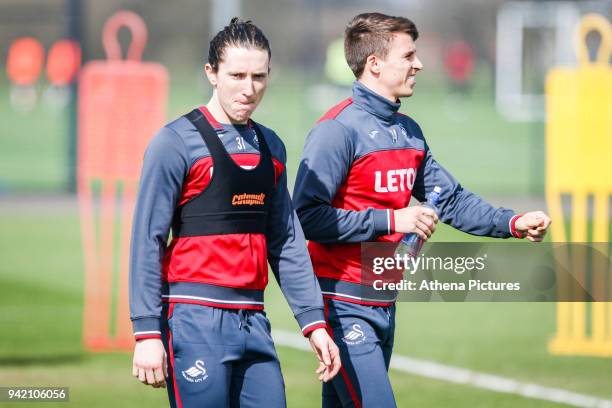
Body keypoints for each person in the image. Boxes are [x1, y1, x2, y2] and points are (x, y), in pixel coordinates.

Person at [293, 12, 551, 408]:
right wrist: (391, 219)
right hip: (341, 304)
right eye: (408, 55)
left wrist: (512, 222)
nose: (419, 64)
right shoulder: (336, 130)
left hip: (383, 298)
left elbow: (449, 199)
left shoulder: (408, 131)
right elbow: (307, 216)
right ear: (375, 63)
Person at [129, 18, 340, 408]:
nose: (249, 89)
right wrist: (146, 333)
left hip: (254, 321)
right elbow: (148, 239)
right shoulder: (174, 143)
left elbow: (286, 241)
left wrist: (314, 323)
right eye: (237, 75)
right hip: (193, 321)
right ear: (211, 73)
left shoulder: (271, 147)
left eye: (259, 76)